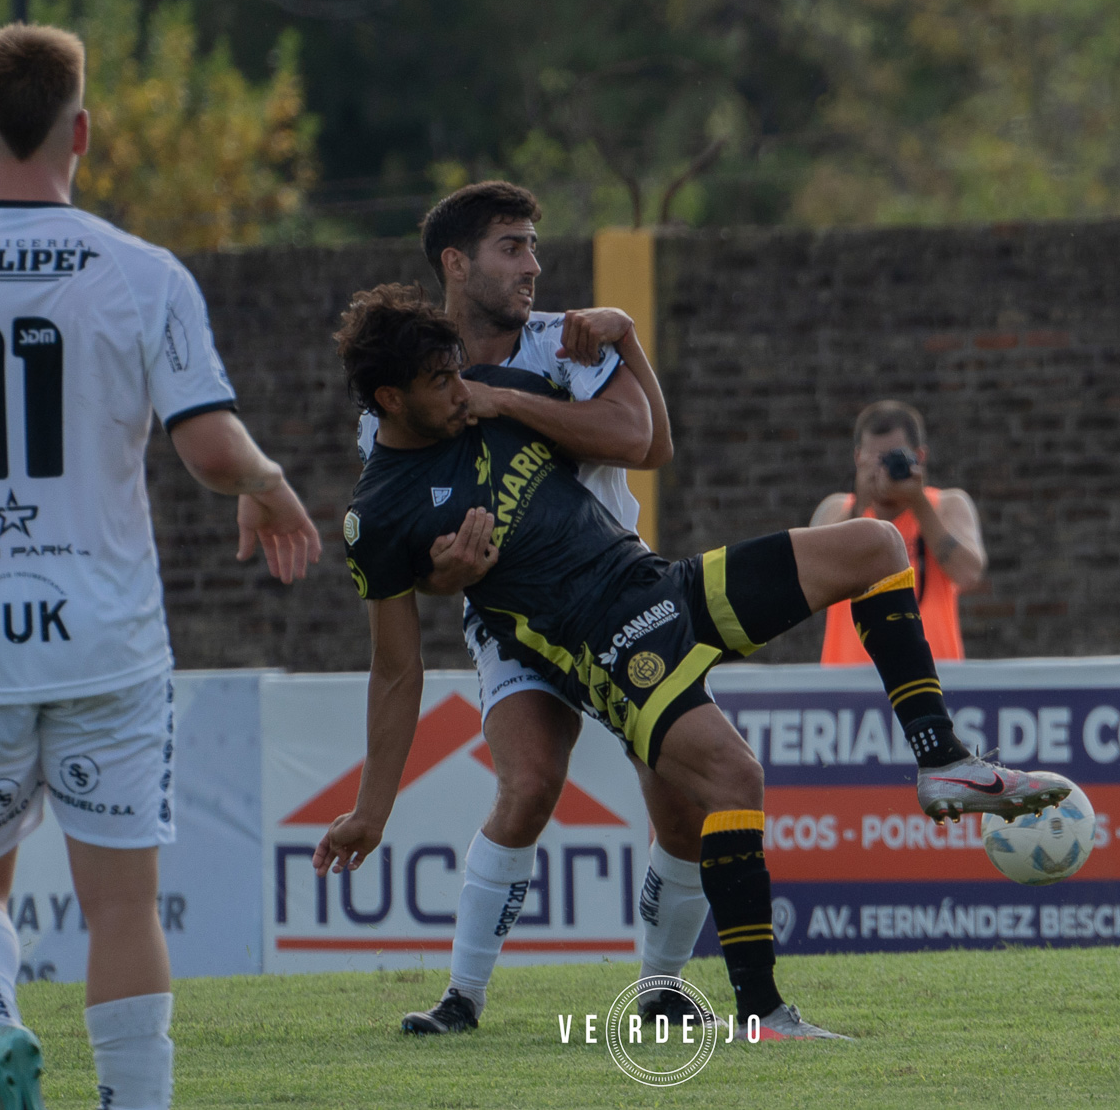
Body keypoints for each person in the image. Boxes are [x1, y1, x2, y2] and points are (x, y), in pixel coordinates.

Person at [314, 288, 1071, 1040]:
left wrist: (619, 349)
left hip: (656, 581)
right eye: (439, 382)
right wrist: (371, 808)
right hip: (601, 645)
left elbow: (644, 440)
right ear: (390, 397)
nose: (459, 390)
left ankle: (942, 760)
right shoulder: (378, 514)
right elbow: (395, 668)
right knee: (731, 778)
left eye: (457, 373)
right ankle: (761, 1013)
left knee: (876, 546)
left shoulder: (491, 396)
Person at [0, 23, 321, 1110]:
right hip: (107, 642)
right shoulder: (141, 274)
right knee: (124, 912)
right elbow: (206, 449)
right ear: (82, 130)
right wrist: (272, 484)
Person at [356, 182, 711, 1035]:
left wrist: (507, 399)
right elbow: (410, 553)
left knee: (681, 800)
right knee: (529, 781)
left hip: (616, 600)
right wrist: (446, 574)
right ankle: (461, 998)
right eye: (512, 247)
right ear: (455, 262)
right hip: (511, 616)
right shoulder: (399, 393)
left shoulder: (562, 339)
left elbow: (644, 443)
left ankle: (659, 990)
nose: (533, 266)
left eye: (532, 247)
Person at [812, 401, 985, 663]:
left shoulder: (946, 506)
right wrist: (861, 504)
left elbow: (969, 574)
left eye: (893, 458)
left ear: (920, 457)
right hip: (847, 691)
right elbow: (813, 582)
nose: (883, 469)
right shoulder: (835, 511)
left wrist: (918, 502)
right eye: (874, 459)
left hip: (932, 681)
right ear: (858, 458)